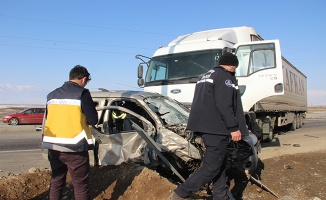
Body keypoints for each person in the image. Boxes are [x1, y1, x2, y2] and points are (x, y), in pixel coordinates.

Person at [169, 52, 249, 200]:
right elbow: (225, 105)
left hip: (205, 127)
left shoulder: (206, 76)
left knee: (219, 163)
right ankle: (180, 193)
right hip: (216, 129)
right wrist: (234, 128)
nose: (235, 71)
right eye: (235, 67)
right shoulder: (224, 76)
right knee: (211, 167)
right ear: (232, 65)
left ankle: (221, 195)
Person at [42, 65, 98, 200]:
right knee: (80, 185)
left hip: (53, 147)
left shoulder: (51, 95)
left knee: (56, 182)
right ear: (84, 79)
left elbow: (49, 118)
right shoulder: (82, 93)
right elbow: (93, 120)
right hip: (75, 147)